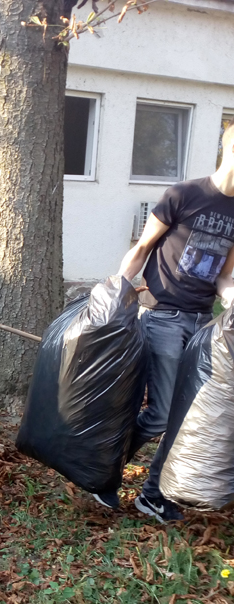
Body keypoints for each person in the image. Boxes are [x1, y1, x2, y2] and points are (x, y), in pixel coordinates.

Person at [94, 120, 234, 521]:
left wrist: (231, 298)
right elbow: (142, 248)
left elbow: (224, 275)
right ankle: (104, 474)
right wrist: (116, 293)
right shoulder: (184, 194)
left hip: (202, 323)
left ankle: (153, 495)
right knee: (160, 414)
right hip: (163, 316)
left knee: (184, 415)